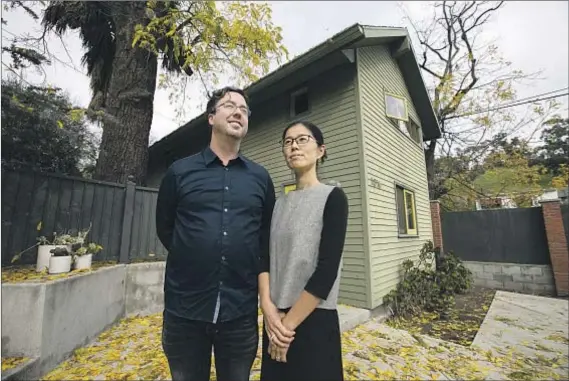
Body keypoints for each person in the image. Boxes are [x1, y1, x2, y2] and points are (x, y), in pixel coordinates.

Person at [156, 86, 276, 381]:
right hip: (185, 310)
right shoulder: (179, 172)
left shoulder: (260, 178)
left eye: (244, 109)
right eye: (229, 105)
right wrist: (196, 253)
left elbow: (264, 238)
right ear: (211, 117)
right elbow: (165, 228)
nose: (238, 111)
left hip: (240, 313)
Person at [259, 120, 349, 381]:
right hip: (275, 319)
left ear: (320, 150)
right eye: (288, 142)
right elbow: (263, 258)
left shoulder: (333, 197)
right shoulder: (277, 205)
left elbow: (326, 270)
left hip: (313, 320)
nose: (294, 146)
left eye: (302, 139)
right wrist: (267, 308)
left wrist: (285, 331)